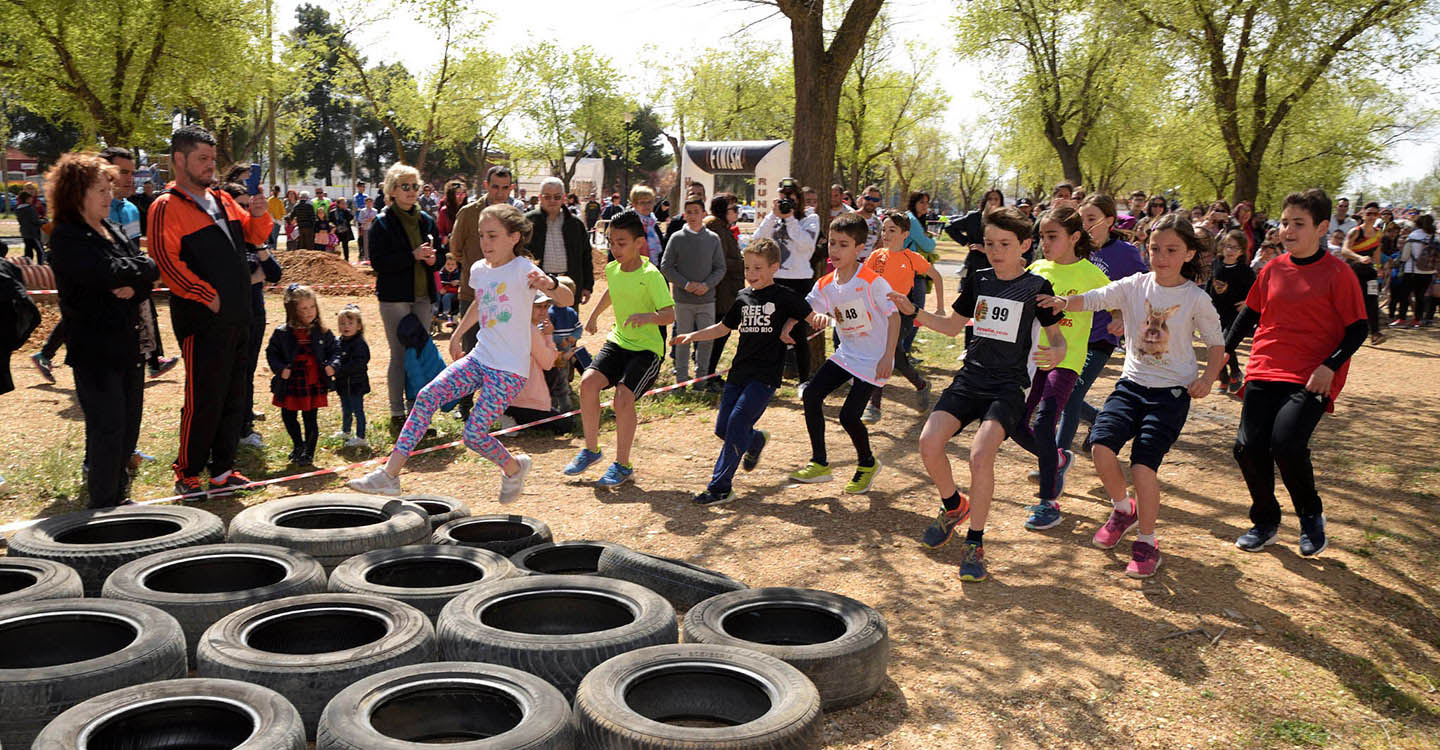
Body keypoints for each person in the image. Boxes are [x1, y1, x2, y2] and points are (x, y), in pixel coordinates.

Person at [1037, 213, 1225, 578]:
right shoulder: (1134, 285)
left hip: (1171, 395)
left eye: (1172, 250)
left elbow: (1217, 345)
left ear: (1188, 254)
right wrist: (1062, 301)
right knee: (1100, 448)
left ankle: (1148, 541)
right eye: (1155, 248)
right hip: (1130, 386)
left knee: (1142, 468)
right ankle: (1123, 509)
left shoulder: (1196, 299)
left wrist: (1207, 378)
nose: (1161, 256)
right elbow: (1093, 298)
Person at [348, 204, 572, 500]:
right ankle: (389, 475)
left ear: (514, 237)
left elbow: (566, 297)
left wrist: (550, 283)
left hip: (509, 370)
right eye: (481, 236)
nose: (485, 243)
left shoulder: (523, 269)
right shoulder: (479, 270)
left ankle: (513, 467)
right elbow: (482, 303)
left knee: (474, 435)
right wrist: (458, 334)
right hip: (480, 358)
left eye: (493, 236)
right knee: (427, 397)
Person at [902, 207, 1066, 582]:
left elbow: (1058, 342)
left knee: (980, 454)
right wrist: (915, 310)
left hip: (1008, 387)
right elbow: (950, 327)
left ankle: (974, 541)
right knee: (929, 443)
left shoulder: (1037, 289)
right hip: (970, 379)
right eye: (990, 243)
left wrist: (1054, 354)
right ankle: (953, 505)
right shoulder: (978, 279)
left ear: (1026, 245)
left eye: (1004, 244)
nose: (995, 250)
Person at [1225, 189, 1368, 558]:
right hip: (1265, 368)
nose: (1288, 230)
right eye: (1285, 222)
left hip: (1311, 375)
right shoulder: (1272, 268)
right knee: (1247, 448)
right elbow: (1248, 315)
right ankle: (1265, 521)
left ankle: (1310, 516)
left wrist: (1329, 366)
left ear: (1322, 227)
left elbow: (1357, 329)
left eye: (1298, 224)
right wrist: (1222, 351)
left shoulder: (1339, 273)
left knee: (1286, 445)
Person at [146, 125, 273, 496]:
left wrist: (261, 214)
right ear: (179, 160)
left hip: (240, 315)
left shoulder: (222, 198)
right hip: (201, 320)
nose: (209, 166)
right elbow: (165, 264)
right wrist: (208, 296)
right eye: (202, 158)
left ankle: (222, 470)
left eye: (212, 159)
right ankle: (187, 471)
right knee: (204, 397)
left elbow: (254, 235)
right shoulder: (165, 206)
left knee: (235, 394)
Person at [46, 152, 160, 508]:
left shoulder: (110, 229)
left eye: (109, 188)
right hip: (94, 350)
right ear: (76, 193)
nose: (109, 196)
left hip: (128, 345)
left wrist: (134, 277)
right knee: (107, 427)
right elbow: (106, 274)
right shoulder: (67, 236)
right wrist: (132, 272)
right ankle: (104, 503)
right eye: (100, 189)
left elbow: (149, 268)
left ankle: (120, 497)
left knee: (128, 428)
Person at [672, 238, 810, 505]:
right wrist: (693, 335)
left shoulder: (784, 296)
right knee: (723, 429)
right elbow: (724, 328)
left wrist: (789, 325)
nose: (751, 274)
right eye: (748, 268)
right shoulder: (743, 297)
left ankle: (720, 487)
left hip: (765, 377)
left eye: (758, 268)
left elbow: (808, 312)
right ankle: (755, 441)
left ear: (774, 268)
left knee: (736, 425)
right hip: (738, 373)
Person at [1007, 206, 1110, 531]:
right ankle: (1058, 457)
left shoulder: (1090, 274)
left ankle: (1048, 503)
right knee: (1015, 425)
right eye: (1042, 237)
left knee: (1044, 423)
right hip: (1033, 359)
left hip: (1066, 362)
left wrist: (1120, 319)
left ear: (1074, 237)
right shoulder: (1037, 268)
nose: (1045, 242)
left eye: (1052, 236)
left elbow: (1120, 299)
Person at [788, 212, 899, 493]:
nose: (835, 250)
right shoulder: (826, 283)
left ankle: (867, 463)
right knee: (811, 395)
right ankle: (820, 463)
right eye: (832, 243)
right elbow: (808, 307)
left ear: (860, 248)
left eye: (843, 245)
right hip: (847, 354)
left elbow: (894, 317)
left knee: (849, 416)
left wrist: (888, 357)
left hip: (874, 360)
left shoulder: (873, 282)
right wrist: (793, 323)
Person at [565, 210, 675, 488]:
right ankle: (591, 450)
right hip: (619, 341)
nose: (614, 248)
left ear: (639, 243)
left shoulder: (651, 275)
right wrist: (593, 316)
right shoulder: (613, 268)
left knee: (623, 399)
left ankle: (623, 465)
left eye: (621, 243)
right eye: (611, 242)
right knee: (588, 384)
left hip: (647, 349)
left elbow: (669, 314)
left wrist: (646, 317)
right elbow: (612, 291)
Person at [1052, 194, 1148, 459]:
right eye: (1081, 219)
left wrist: (1122, 317)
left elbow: (1142, 289)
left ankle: (1057, 460)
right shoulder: (1076, 247)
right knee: (1058, 392)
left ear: (1109, 221)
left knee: (1069, 396)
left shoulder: (1126, 254)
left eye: (1091, 219)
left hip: (1101, 338)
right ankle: (1099, 418)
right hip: (1071, 334)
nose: (1085, 225)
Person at [369, 162, 446, 434]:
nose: (412, 191)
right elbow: (378, 263)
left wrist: (436, 260)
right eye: (406, 186)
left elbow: (440, 256)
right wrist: (411, 256)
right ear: (392, 190)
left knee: (420, 353)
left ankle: (418, 412)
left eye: (415, 186)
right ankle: (397, 413)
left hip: (423, 295)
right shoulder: (382, 223)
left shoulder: (426, 220)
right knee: (400, 354)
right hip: (394, 297)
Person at [218, 182, 283, 451]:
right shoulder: (223, 239)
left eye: (249, 205)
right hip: (228, 317)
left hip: (255, 314)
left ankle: (245, 425)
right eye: (240, 207)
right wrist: (253, 276)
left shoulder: (253, 237)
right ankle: (229, 427)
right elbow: (239, 277)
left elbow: (275, 273)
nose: (246, 212)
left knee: (247, 371)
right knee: (229, 374)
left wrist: (258, 250)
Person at [859, 213, 942, 423]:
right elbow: (863, 282)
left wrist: (940, 308)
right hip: (877, 314)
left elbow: (937, 277)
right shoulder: (876, 255)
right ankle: (921, 384)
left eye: (892, 230)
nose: (886, 234)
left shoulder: (911, 257)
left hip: (902, 314)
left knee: (883, 352)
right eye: (884, 230)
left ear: (905, 234)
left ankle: (873, 406)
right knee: (894, 357)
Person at [754, 178, 820, 385]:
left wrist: (790, 218)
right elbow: (757, 239)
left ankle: (804, 380)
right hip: (775, 280)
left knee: (798, 332)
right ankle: (770, 378)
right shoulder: (774, 218)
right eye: (783, 198)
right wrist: (773, 215)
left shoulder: (810, 218)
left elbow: (806, 246)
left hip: (799, 281)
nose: (786, 202)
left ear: (798, 200)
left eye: (790, 198)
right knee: (771, 330)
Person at [266, 284, 339, 466]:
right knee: (288, 415)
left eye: (312, 307)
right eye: (303, 308)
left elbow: (335, 351)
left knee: (310, 418)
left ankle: (309, 452)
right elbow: (271, 353)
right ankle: (298, 445)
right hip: (290, 382)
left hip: (312, 382)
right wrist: (280, 368)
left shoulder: (322, 332)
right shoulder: (282, 333)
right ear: (292, 310)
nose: (308, 312)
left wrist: (333, 365)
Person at [660, 196, 727, 385]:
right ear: (684, 215)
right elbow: (666, 266)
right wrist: (686, 284)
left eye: (696, 212)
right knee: (683, 339)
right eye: (689, 212)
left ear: (704, 214)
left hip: (707, 299)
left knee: (706, 339)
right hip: (683, 300)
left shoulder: (713, 239)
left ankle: (701, 379)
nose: (693, 216)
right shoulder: (677, 238)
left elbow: (720, 267)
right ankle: (681, 379)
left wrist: (706, 284)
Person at [503, 290, 567, 433]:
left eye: (546, 306)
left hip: (509, 395)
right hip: (524, 399)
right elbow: (548, 363)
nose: (544, 310)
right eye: (539, 306)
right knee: (566, 424)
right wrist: (549, 336)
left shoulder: (517, 324)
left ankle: (508, 415)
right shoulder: (530, 330)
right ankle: (511, 417)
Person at [526, 177, 595, 303]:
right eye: (547, 197)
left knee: (567, 321)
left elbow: (586, 256)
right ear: (540, 197)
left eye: (557, 197)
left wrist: (587, 285)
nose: (552, 201)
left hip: (569, 284)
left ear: (564, 198)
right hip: (538, 284)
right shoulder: (527, 222)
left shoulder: (576, 224)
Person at [703, 193, 745, 385]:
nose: (737, 212)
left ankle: (709, 373)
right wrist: (743, 264)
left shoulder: (723, 229)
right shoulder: (717, 230)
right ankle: (708, 374)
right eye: (733, 209)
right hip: (721, 290)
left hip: (727, 289)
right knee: (719, 333)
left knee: (722, 333)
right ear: (722, 211)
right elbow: (720, 261)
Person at [1209, 229, 1255, 393]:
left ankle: (1232, 374)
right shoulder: (1216, 264)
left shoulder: (1245, 271)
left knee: (1224, 344)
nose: (1230, 251)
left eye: (1234, 248)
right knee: (1214, 344)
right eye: (1227, 246)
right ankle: (1226, 376)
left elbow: (1256, 291)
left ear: (1241, 252)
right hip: (1216, 313)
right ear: (1222, 247)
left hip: (1234, 315)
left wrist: (1247, 302)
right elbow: (1210, 285)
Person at [1339, 201, 1386, 344]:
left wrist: (1378, 267)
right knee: (1351, 301)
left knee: (1372, 300)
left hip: (1369, 272)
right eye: (1369, 213)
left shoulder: (1378, 234)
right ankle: (1343, 331)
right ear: (1363, 215)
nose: (1372, 216)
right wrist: (1359, 257)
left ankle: (1375, 333)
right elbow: (1344, 250)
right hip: (1353, 270)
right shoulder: (1355, 231)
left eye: (1375, 214)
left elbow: (1377, 250)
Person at [331, 304, 371, 448]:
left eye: (350, 323)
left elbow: (360, 363)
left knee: (357, 410)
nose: (345, 326)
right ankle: (346, 431)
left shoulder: (360, 344)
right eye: (342, 323)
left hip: (356, 384)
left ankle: (361, 437)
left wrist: (339, 370)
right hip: (343, 384)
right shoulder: (338, 342)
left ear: (359, 326)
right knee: (346, 409)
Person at [1391, 214, 1436, 327]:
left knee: (1404, 295)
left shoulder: (1413, 235)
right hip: (1428, 271)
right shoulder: (1434, 236)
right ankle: (1417, 320)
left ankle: (1402, 319)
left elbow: (1405, 256)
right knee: (1420, 296)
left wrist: (1400, 262)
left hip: (1411, 270)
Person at [15, 191, 45, 263]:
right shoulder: (30, 209)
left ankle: (28, 265)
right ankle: (40, 266)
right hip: (33, 233)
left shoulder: (18, 209)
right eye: (30, 198)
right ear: (27, 199)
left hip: (24, 232)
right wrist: (43, 221)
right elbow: (35, 221)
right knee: (40, 251)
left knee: (28, 251)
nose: (32, 200)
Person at [855, 185, 883, 260]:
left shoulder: (878, 223)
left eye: (875, 200)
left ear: (879, 202)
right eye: (868, 198)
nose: (871, 202)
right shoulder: (850, 217)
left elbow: (879, 246)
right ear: (862, 198)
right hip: (849, 265)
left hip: (868, 266)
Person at [437, 179, 467, 247]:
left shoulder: (468, 210)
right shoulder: (444, 211)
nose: (461, 196)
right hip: (451, 247)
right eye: (457, 193)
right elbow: (440, 231)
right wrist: (444, 238)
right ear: (452, 195)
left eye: (463, 193)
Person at [437, 255, 461, 324]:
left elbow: (462, 283)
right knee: (437, 294)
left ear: (456, 266)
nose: (450, 266)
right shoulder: (441, 274)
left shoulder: (458, 274)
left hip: (453, 292)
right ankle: (434, 312)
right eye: (448, 264)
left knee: (446, 297)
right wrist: (440, 289)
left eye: (453, 264)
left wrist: (458, 282)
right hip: (444, 291)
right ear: (444, 265)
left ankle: (445, 314)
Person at [355, 198, 377, 262]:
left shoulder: (375, 211)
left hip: (373, 228)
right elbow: (359, 219)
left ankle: (372, 256)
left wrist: (372, 219)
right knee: (366, 243)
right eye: (368, 202)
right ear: (365, 203)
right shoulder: (362, 210)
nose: (369, 204)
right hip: (365, 228)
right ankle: (367, 257)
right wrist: (365, 221)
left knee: (373, 242)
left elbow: (376, 219)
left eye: (370, 202)